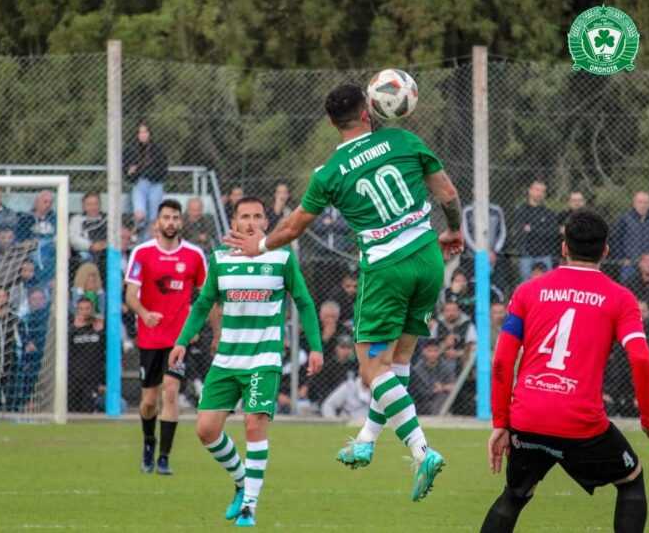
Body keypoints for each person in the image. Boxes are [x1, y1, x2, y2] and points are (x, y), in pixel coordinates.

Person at [224, 83, 464, 501]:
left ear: (331, 122)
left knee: (372, 370)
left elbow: (294, 226)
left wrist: (259, 245)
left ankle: (421, 450)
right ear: (368, 111)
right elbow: (448, 194)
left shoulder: (329, 172)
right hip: (427, 257)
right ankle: (367, 439)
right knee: (397, 360)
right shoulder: (403, 139)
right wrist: (455, 230)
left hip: (386, 269)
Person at [480, 209, 649, 533]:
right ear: (606, 250)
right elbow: (641, 359)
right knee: (631, 479)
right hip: (581, 424)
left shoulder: (527, 291)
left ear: (564, 247)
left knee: (515, 494)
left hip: (528, 417)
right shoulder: (621, 298)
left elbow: (502, 361)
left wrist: (500, 422)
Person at [170, 196, 323, 527]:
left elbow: (304, 302)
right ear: (234, 223)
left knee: (254, 425)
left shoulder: (281, 257)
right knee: (206, 430)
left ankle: (249, 506)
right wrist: (182, 340)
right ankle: (242, 481)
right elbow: (203, 304)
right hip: (227, 359)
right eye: (245, 217)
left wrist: (315, 346)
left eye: (257, 216)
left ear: (266, 222)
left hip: (263, 358)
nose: (251, 222)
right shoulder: (220, 259)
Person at [125, 199, 208, 475]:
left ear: (181, 222)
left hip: (178, 339)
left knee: (170, 392)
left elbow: (206, 297)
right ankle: (149, 442)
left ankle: (164, 458)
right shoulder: (142, 253)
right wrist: (144, 313)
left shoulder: (194, 255)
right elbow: (130, 295)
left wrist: (199, 327)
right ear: (157, 222)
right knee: (149, 401)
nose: (171, 222)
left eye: (175, 218)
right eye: (166, 218)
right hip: (150, 337)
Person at [123, 121, 169, 234]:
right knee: (140, 214)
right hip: (140, 184)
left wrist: (140, 170)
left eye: (145, 132)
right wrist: (132, 172)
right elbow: (127, 171)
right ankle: (137, 232)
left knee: (153, 218)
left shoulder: (157, 149)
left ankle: (148, 239)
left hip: (155, 184)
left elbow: (163, 170)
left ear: (150, 133)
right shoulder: (131, 149)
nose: (143, 135)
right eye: (140, 132)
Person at [512, 180, 558, 281]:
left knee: (547, 283)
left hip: (544, 254)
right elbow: (519, 231)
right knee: (526, 283)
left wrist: (531, 229)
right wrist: (541, 229)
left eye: (542, 191)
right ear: (530, 191)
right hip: (526, 254)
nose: (540, 193)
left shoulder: (549, 213)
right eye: (537, 190)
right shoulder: (521, 210)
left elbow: (552, 233)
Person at [611, 191, 649, 283]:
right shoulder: (624, 219)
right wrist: (621, 259)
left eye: (646, 202)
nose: (643, 205)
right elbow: (615, 240)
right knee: (627, 287)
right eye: (640, 202)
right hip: (630, 264)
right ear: (634, 203)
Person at [68, 298, 105, 412]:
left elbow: (107, 350)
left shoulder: (99, 327)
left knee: (87, 410)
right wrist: (74, 328)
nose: (84, 312)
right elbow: (65, 349)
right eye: (81, 309)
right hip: (73, 377)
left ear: (92, 310)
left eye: (87, 308)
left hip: (93, 377)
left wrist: (101, 331)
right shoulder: (71, 328)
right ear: (77, 310)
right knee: (71, 410)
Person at [410, 338, 455, 415]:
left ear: (440, 351)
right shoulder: (418, 368)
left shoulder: (444, 366)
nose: (433, 354)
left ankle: (437, 416)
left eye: (435, 351)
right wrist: (434, 390)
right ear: (423, 351)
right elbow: (419, 390)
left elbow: (453, 386)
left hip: (439, 397)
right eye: (429, 351)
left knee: (442, 395)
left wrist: (442, 387)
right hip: (422, 399)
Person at [68, 191, 107, 273]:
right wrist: (91, 246)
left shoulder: (106, 219)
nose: (93, 207)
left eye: (96, 204)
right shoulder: (77, 219)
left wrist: (105, 244)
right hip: (86, 253)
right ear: (84, 207)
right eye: (89, 204)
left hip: (105, 252)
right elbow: (73, 238)